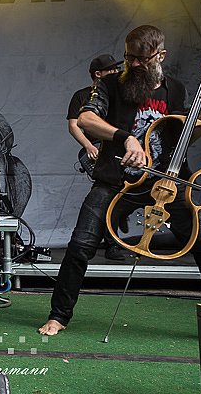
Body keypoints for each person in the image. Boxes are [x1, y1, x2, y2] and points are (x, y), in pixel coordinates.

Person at [39, 25, 201, 352]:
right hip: (117, 181)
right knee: (80, 245)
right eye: (130, 58)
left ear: (160, 56)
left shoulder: (175, 90)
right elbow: (86, 120)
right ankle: (59, 316)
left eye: (142, 59)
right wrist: (125, 137)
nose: (135, 64)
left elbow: (183, 138)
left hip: (167, 182)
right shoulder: (110, 85)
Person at [67, 53, 125, 260]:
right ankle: (110, 244)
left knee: (119, 197)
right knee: (106, 196)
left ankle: (110, 238)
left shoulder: (120, 94)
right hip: (98, 151)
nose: (116, 72)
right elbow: (74, 125)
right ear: (98, 74)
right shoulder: (81, 95)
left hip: (119, 151)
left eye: (117, 69)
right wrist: (88, 145)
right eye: (111, 69)